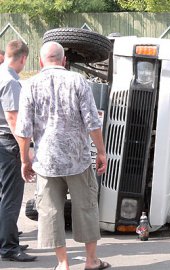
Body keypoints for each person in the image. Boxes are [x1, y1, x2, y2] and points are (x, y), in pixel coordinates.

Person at [15, 41, 110, 270]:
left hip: (46, 162)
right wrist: (101, 152)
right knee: (86, 207)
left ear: (40, 61)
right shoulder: (78, 81)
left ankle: (63, 263)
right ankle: (91, 261)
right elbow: (92, 122)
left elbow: (23, 130)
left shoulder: (30, 85)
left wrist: (25, 161)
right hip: (77, 160)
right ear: (64, 60)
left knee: (50, 212)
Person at [0, 40, 36, 262]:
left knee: (3, 196)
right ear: (23, 58)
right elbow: (14, 121)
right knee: (11, 199)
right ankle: (9, 248)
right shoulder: (11, 81)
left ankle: (6, 238)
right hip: (8, 143)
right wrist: (25, 154)